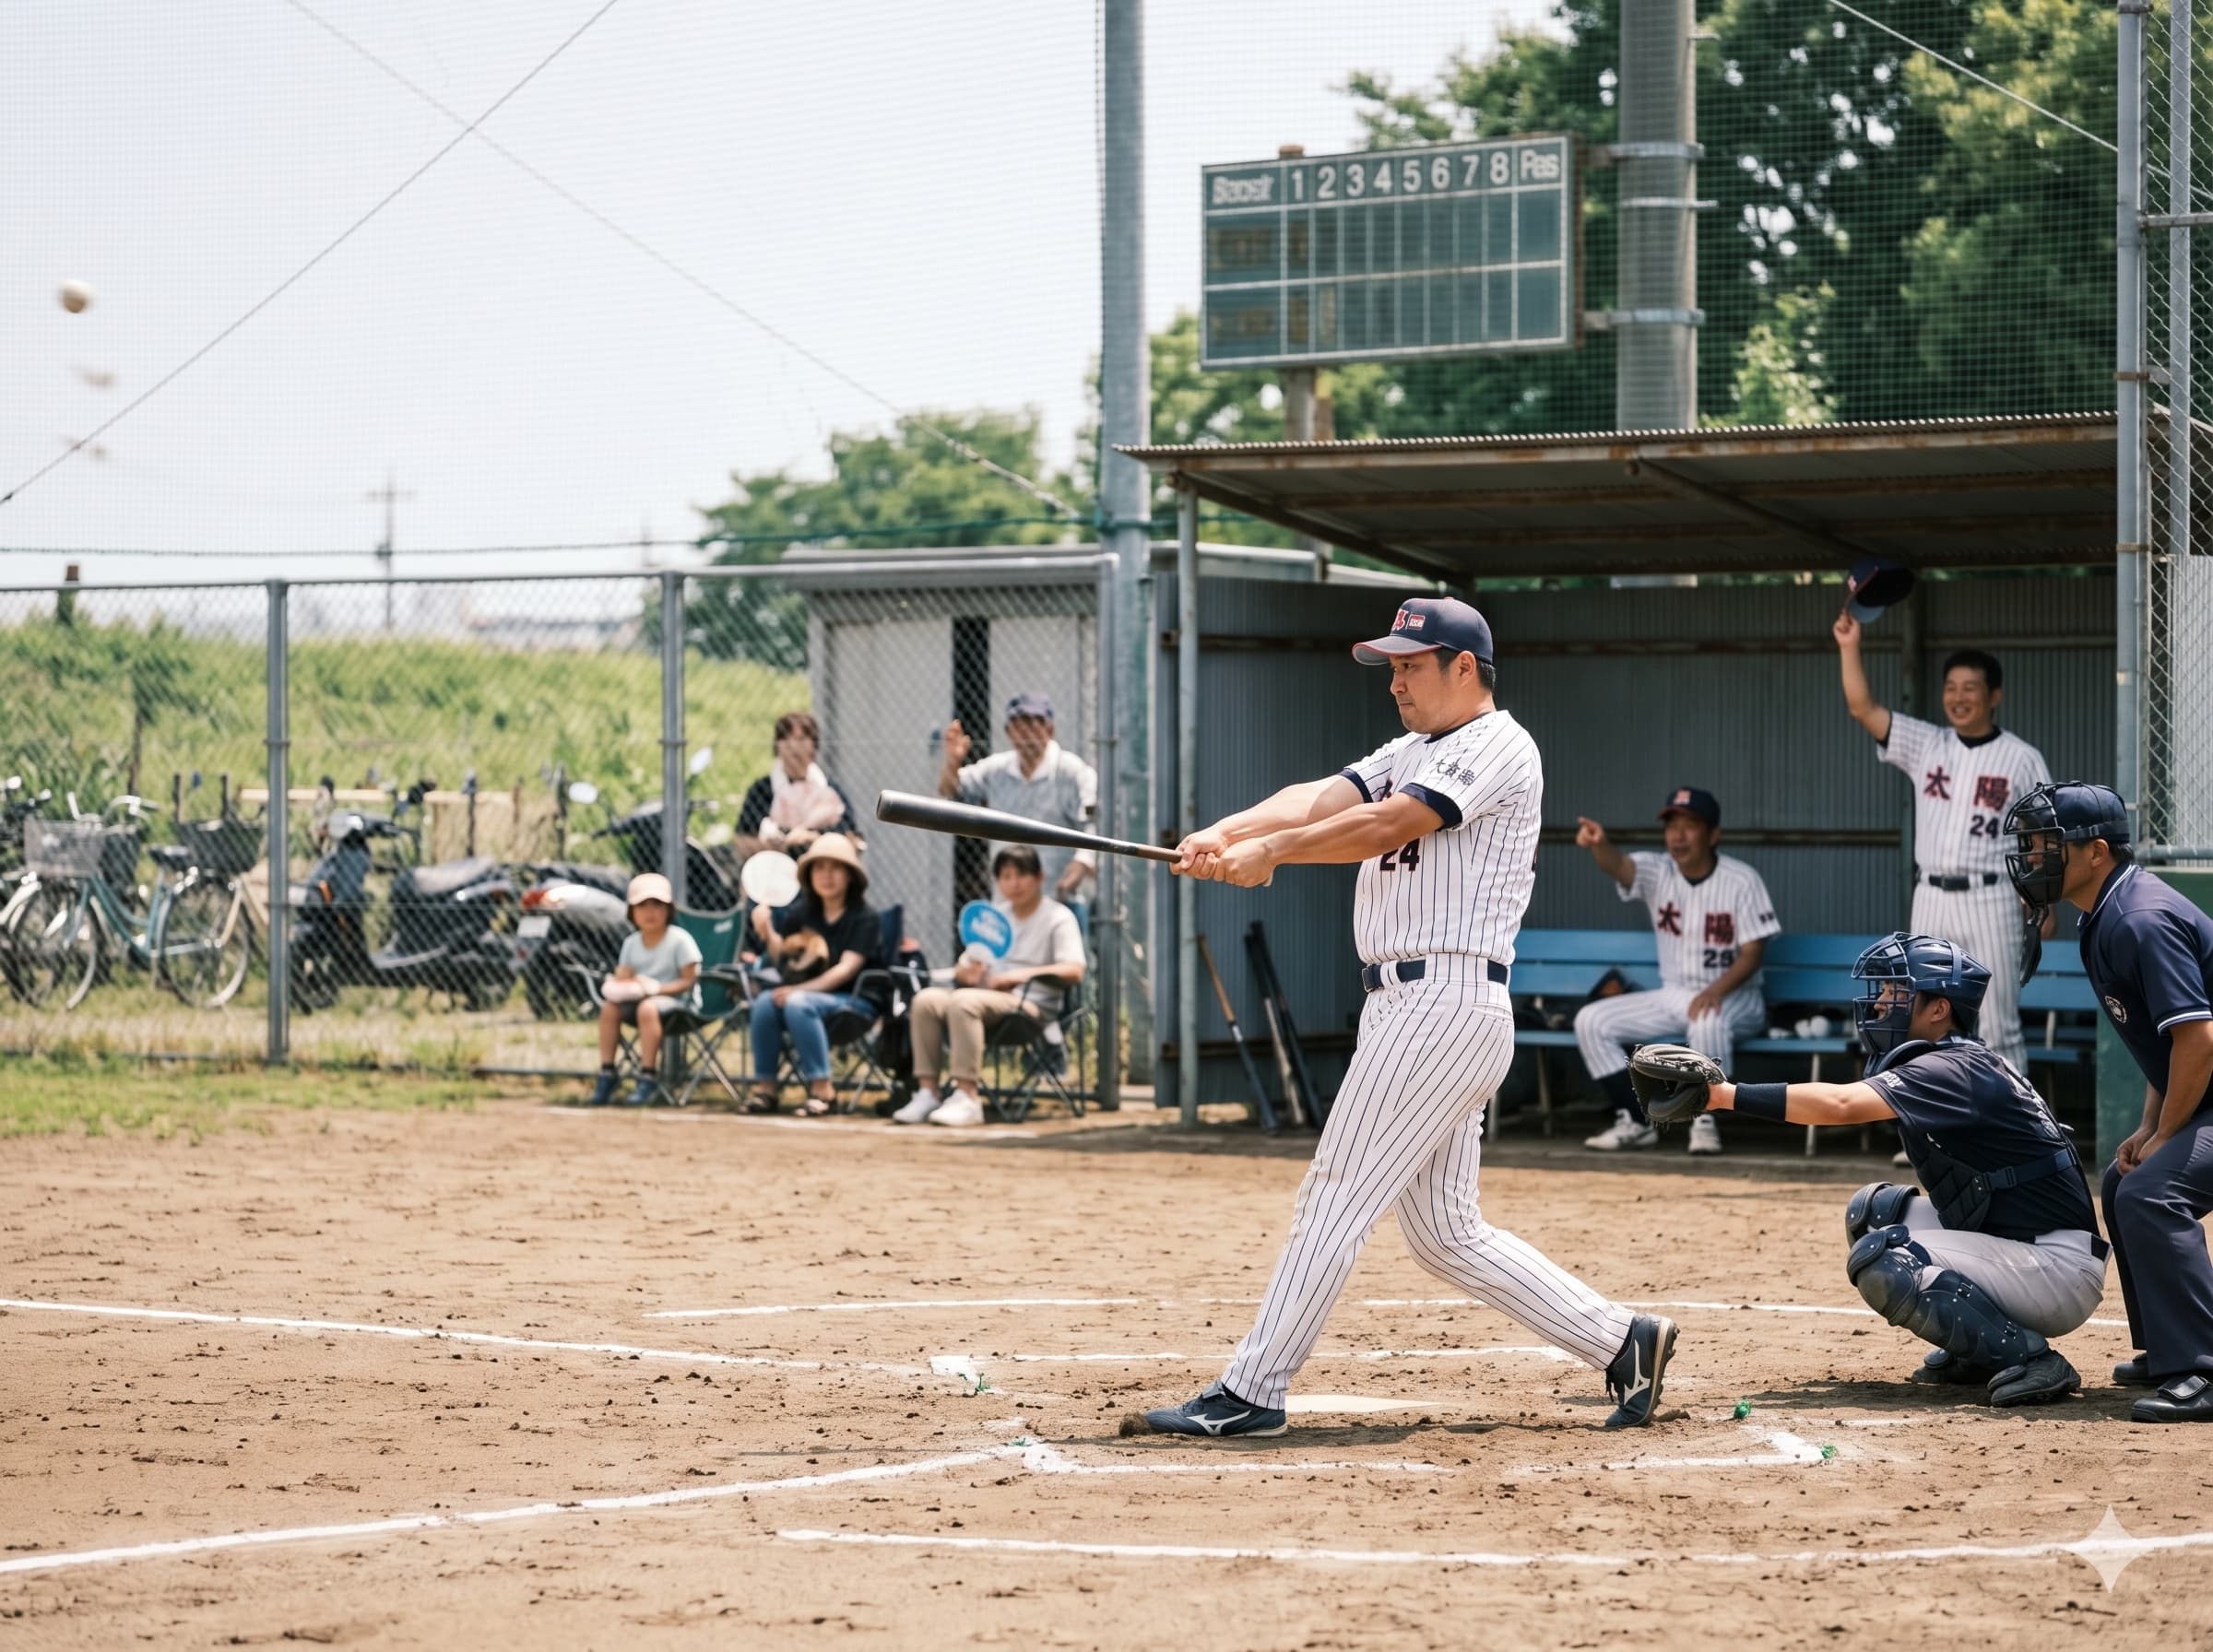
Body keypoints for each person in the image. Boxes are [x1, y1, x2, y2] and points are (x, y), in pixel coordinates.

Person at [1142, 596, 1679, 1441]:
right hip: (1418, 1008)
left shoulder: (1499, 743)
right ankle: (1622, 1340)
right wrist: (1224, 832)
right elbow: (1320, 797)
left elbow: (1390, 821)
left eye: (1411, 666)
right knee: (1445, 1234)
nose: (1395, 682)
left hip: (1441, 1002)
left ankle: (1253, 1388)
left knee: (1335, 1196)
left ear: (1464, 667)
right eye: (1390, 668)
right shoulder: (1412, 748)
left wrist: (1271, 854)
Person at [1679, 932, 2104, 1408]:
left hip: (2055, 1270)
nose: (1881, 1002)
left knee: (1886, 1259)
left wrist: (1723, 1096)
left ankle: (2031, 1357)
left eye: (1897, 991)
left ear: (1939, 1009)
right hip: (2023, 1245)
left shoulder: (1953, 1068)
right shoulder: (1952, 1059)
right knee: (1874, 1213)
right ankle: (1980, 1350)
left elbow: (1841, 1104)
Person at [2004, 781, 2213, 1422]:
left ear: (2096, 852)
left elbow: (2199, 1039)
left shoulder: (2139, 918)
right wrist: (2151, 1125)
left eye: (2047, 843)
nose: (2033, 856)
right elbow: (2164, 1043)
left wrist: (2167, 1132)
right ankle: (2169, 1347)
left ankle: (2203, 1369)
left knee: (2152, 1192)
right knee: (2125, 1182)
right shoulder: (2106, 913)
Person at [1834, 612, 2051, 1075]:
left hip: (1992, 897)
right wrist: (1849, 646)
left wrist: (2042, 903)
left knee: (1997, 1024)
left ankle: (2013, 1119)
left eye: (1970, 688)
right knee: (1918, 1019)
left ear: (1994, 696)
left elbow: (2043, 838)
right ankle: (1928, 1115)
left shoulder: (2020, 757)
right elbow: (1862, 709)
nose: (1958, 697)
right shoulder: (1927, 743)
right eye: (1951, 687)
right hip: (1931, 895)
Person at [1572, 787, 1778, 1158]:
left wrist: (1715, 991)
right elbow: (1619, 866)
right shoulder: (1659, 871)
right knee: (1591, 1021)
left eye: (1690, 825)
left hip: (1736, 998)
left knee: (1707, 1022)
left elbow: (1753, 953)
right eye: (1672, 826)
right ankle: (1635, 1122)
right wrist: (1600, 844)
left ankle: (1705, 1121)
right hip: (1674, 994)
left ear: (1713, 834)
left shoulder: (1742, 880)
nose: (1678, 835)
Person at [893, 844, 1084, 1129]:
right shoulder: (993, 917)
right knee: (926, 1000)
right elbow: (965, 966)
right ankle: (927, 1093)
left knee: (963, 1001)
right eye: (1005, 876)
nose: (1014, 884)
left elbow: (1074, 970)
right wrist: (966, 973)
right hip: (984, 999)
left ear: (1039, 877)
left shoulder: (1059, 917)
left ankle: (967, 1097)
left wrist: (1019, 976)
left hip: (1030, 1008)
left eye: (1021, 875)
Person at [745, 833, 883, 1117]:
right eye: (819, 867)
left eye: (835, 868)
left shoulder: (865, 917)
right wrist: (767, 932)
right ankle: (766, 1091)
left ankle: (823, 1092)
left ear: (850, 875)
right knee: (765, 1003)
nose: (826, 875)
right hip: (807, 998)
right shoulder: (801, 913)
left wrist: (801, 991)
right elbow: (784, 958)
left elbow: (847, 969)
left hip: (855, 1001)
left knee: (798, 1003)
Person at [938, 692, 1097, 903]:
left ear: (1050, 730)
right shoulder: (996, 769)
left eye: (1033, 723)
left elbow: (1093, 820)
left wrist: (1083, 861)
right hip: (1007, 901)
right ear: (1008, 732)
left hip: (1060, 898)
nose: (1025, 732)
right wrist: (953, 762)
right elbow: (951, 790)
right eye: (1018, 725)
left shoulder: (1071, 771)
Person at [587, 872, 701, 1108]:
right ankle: (608, 1072)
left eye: (657, 905)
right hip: (639, 1001)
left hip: (679, 1002)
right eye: (642, 906)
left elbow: (689, 981)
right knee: (610, 1008)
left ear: (669, 909)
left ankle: (648, 1076)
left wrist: (657, 989)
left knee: (648, 1008)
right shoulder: (630, 943)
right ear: (632, 912)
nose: (650, 912)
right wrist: (623, 978)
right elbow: (625, 975)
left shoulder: (680, 940)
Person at [737, 711, 858, 855]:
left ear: (814, 745)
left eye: (801, 739)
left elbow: (853, 839)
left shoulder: (830, 791)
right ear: (777, 746)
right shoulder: (762, 791)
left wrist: (814, 840)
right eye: (785, 738)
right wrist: (776, 846)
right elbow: (741, 842)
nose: (793, 745)